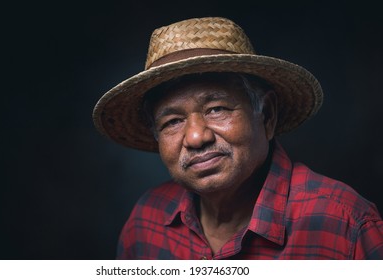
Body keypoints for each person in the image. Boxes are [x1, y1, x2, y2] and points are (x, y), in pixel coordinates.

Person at [92, 17, 383, 259]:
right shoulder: (147, 221)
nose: (195, 137)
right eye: (173, 121)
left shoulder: (346, 224)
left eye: (217, 109)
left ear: (267, 115)